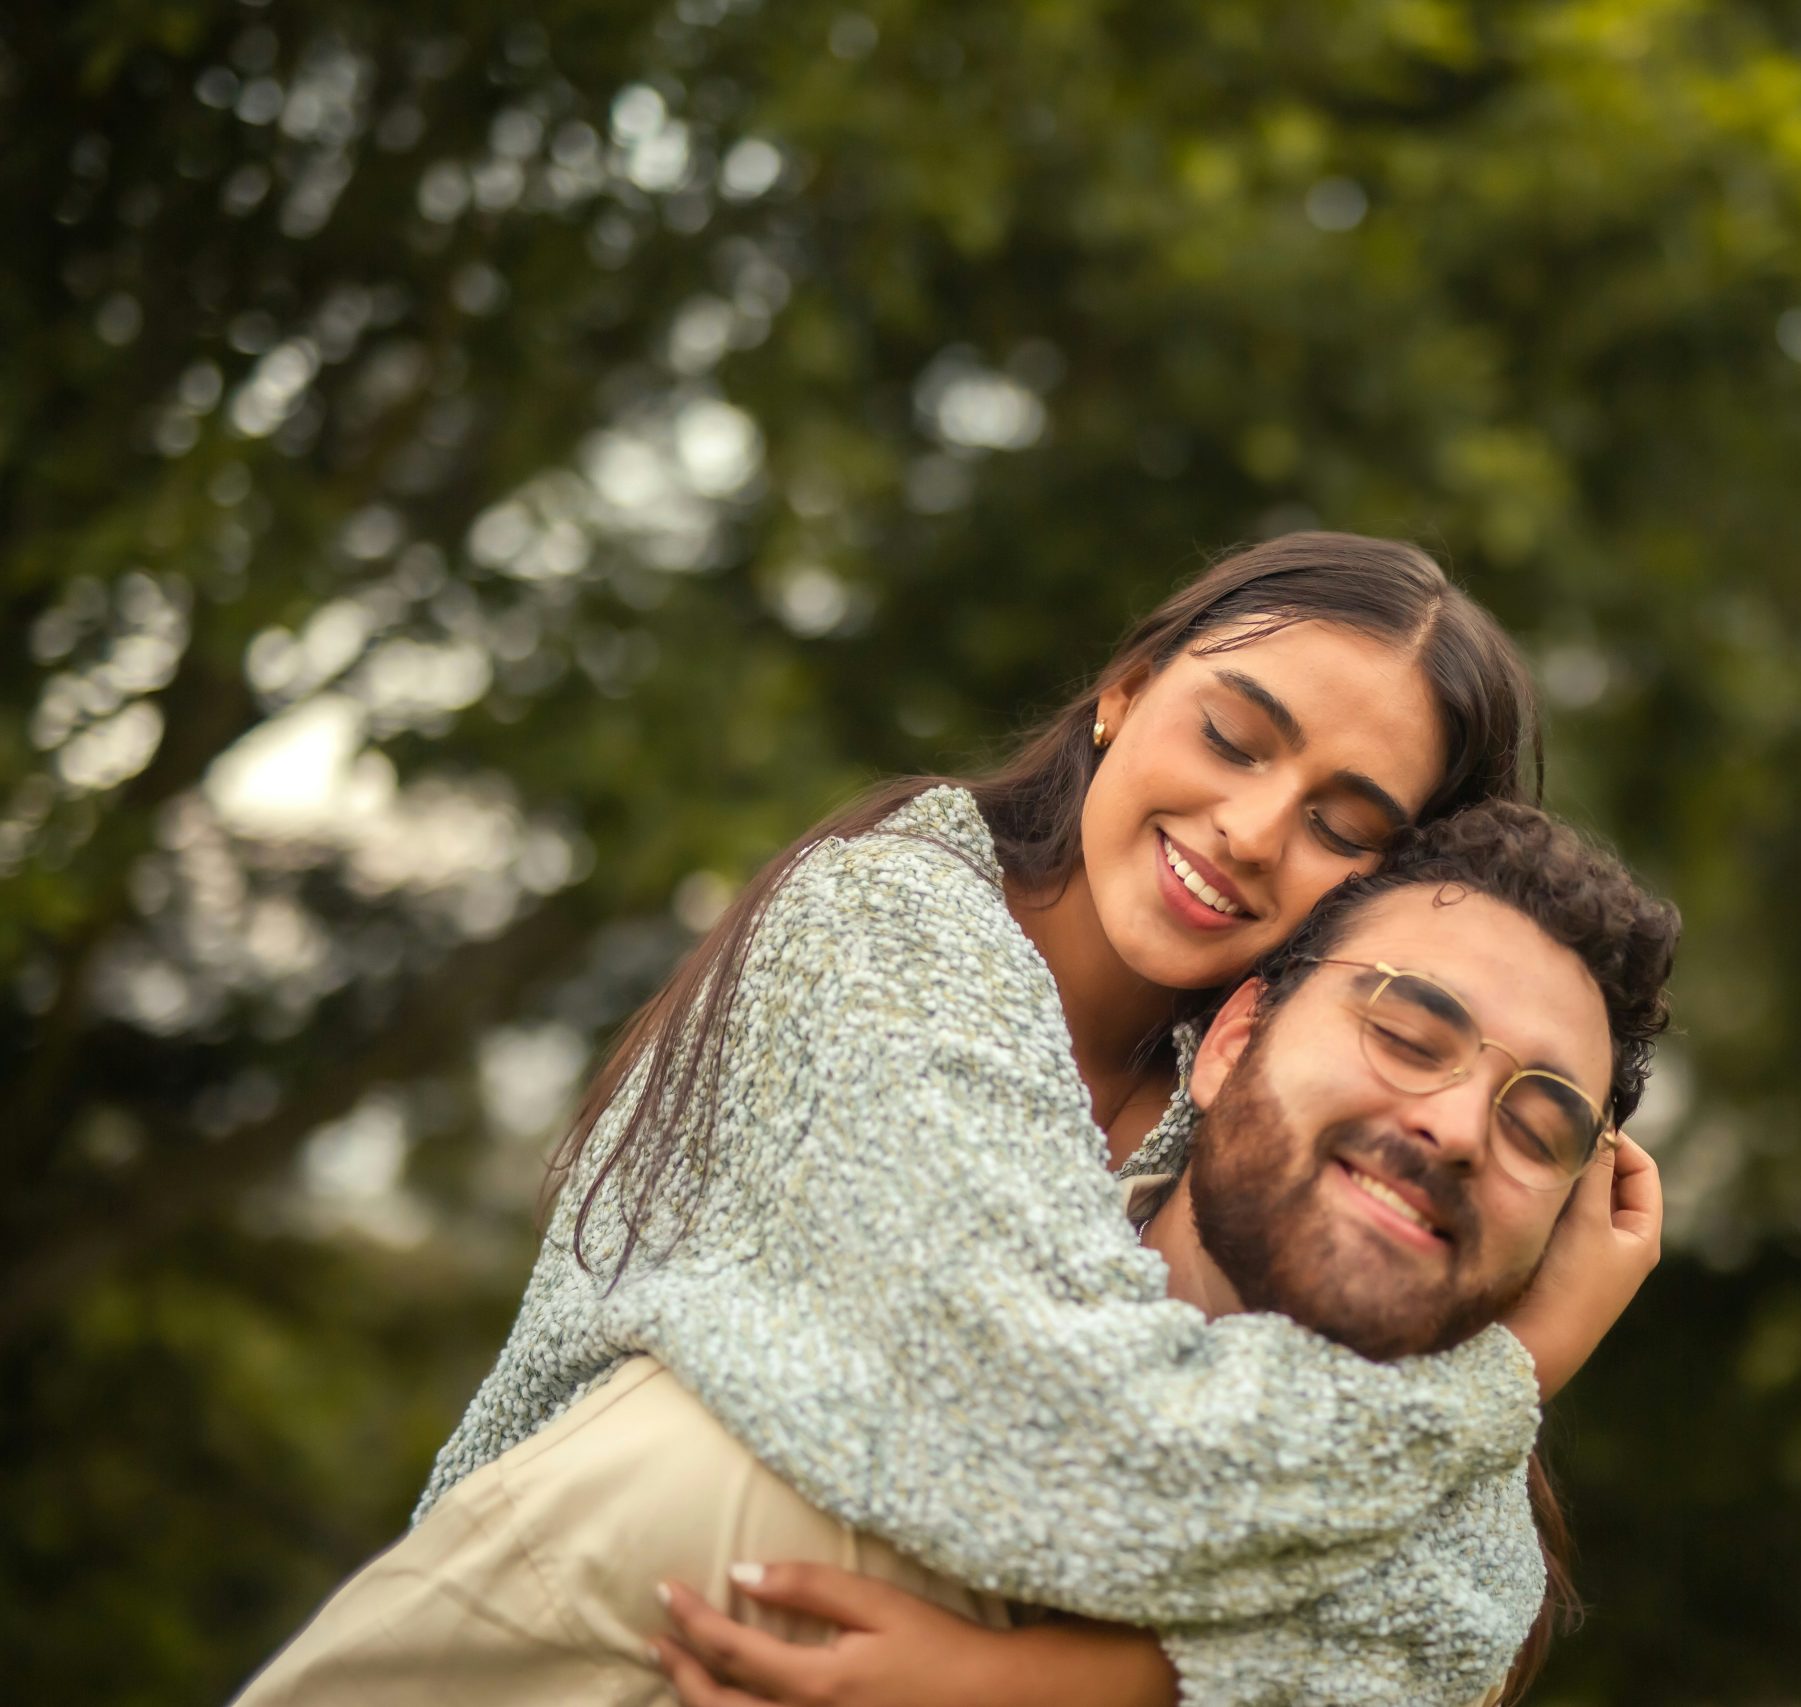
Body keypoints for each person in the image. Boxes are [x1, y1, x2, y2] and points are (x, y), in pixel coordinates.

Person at [233, 534, 1666, 1706]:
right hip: (573, 1642)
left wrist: (1032, 1684)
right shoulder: (887, 932)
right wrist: (1520, 1364)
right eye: (1232, 737)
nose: (1246, 826)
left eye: (1345, 826)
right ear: (1124, 691)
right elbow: (1059, 1426)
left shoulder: (1270, 1128)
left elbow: (1456, 1615)